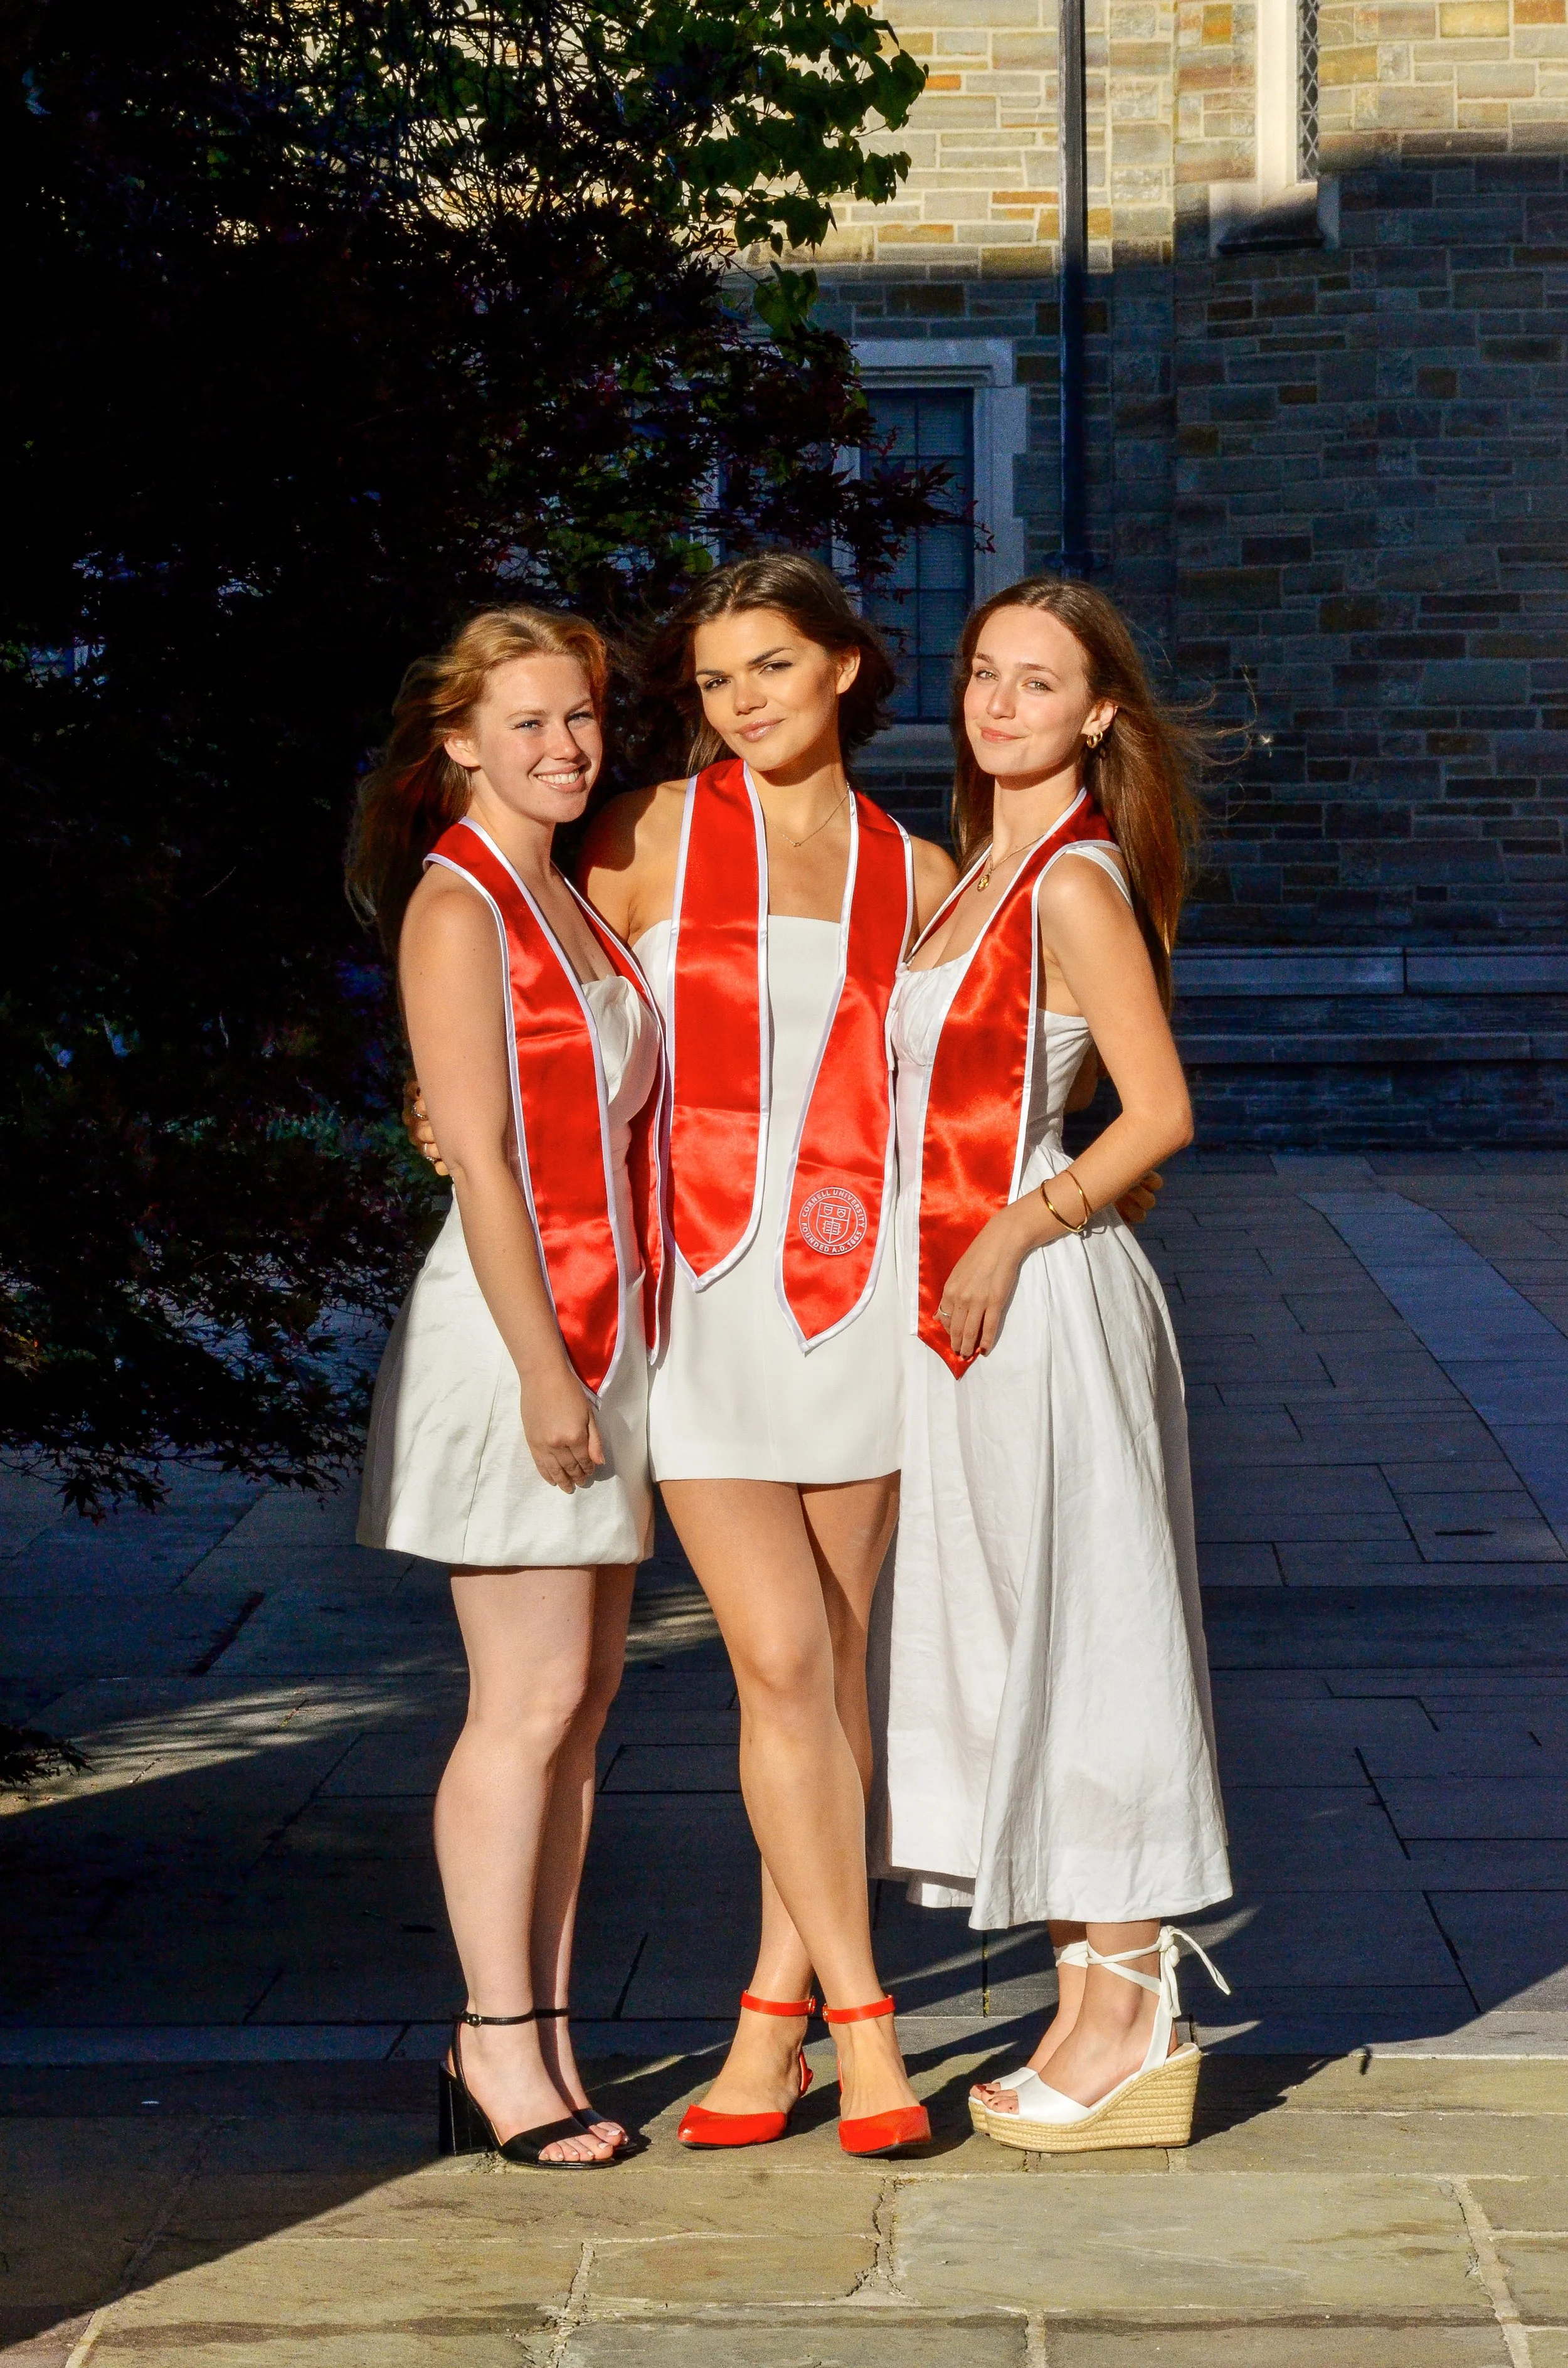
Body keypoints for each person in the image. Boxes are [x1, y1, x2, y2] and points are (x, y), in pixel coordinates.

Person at [576, 553, 953, 2157]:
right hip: (706, 1307)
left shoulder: (921, 871)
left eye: (772, 670)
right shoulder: (648, 835)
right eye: (716, 680)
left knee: (837, 1673)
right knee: (779, 1660)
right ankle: (868, 2033)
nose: (740, 703)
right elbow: (559, 1033)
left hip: (861, 1300)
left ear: (846, 670)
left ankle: (768, 2019)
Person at [882, 576, 1232, 2155]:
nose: (997, 702)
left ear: (1097, 713)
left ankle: (1137, 1996)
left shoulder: (1071, 879)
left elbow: (1154, 1112)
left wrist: (1012, 1234)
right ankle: (1083, 1995)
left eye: (1036, 683)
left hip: (1035, 1293)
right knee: (1013, 1637)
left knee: (1084, 1634)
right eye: (980, 674)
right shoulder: (969, 875)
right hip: (961, 1301)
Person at [348, 607, 664, 2168]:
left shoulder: (570, 894)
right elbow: (476, 1153)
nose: (564, 747)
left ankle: (539, 2026)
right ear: (456, 740)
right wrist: (548, 1377)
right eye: (528, 723)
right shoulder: (458, 905)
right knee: (525, 1700)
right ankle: (491, 2039)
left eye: (581, 719)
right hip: (521, 1333)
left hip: (607, 1320)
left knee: (581, 1708)